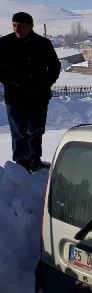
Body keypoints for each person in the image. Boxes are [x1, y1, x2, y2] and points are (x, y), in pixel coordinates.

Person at [0, 12, 60, 174]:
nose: (17, 29)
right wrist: (11, 81)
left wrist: (46, 83)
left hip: (38, 96)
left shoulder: (43, 44)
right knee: (18, 132)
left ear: (31, 26)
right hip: (15, 96)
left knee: (36, 130)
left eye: (21, 26)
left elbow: (54, 65)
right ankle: (21, 163)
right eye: (14, 25)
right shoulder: (4, 43)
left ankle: (34, 160)